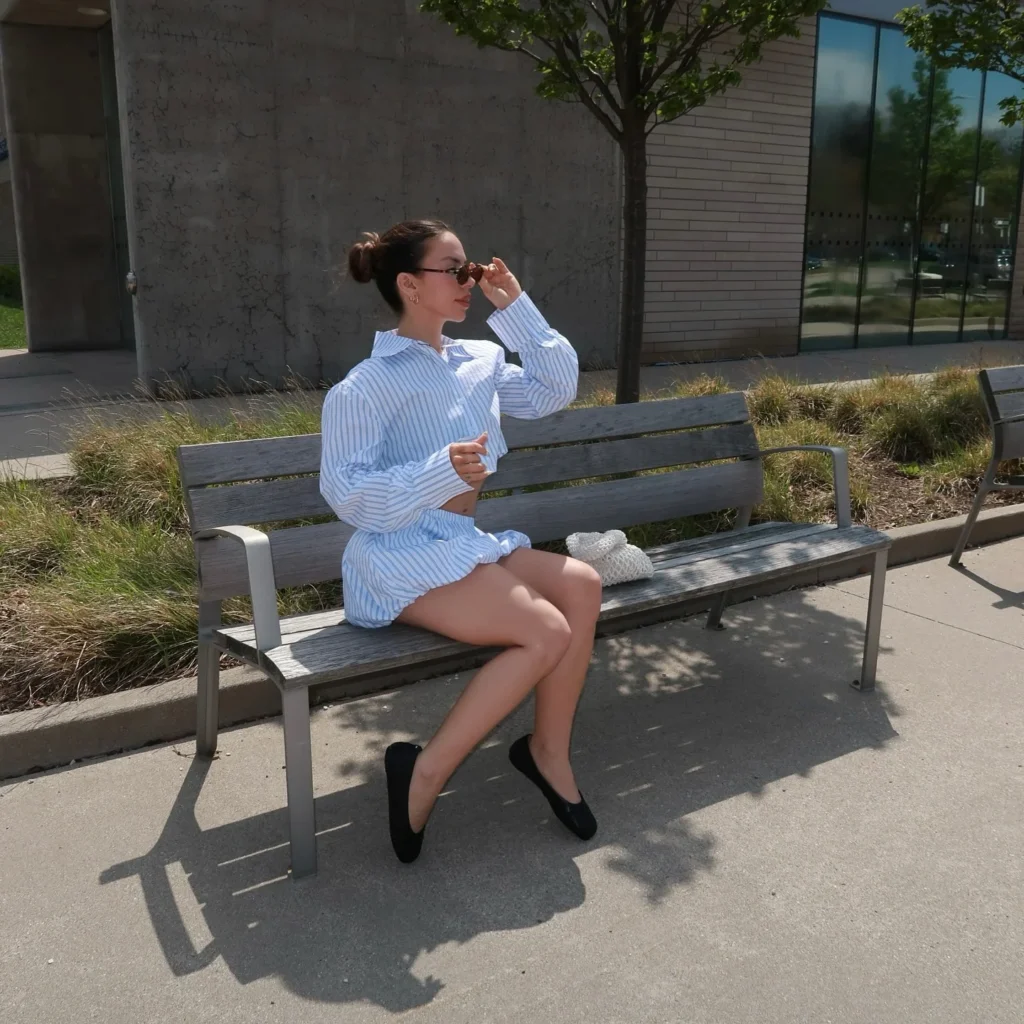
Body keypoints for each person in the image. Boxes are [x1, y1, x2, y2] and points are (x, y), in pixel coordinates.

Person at [320, 219, 603, 863]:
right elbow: (350, 496)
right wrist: (439, 470)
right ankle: (422, 771)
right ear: (408, 285)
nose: (468, 280)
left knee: (582, 585)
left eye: (470, 268)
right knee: (544, 632)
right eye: (454, 270)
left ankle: (546, 753)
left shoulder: (480, 361)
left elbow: (556, 390)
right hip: (396, 555)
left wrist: (517, 307)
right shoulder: (364, 386)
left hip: (457, 541)